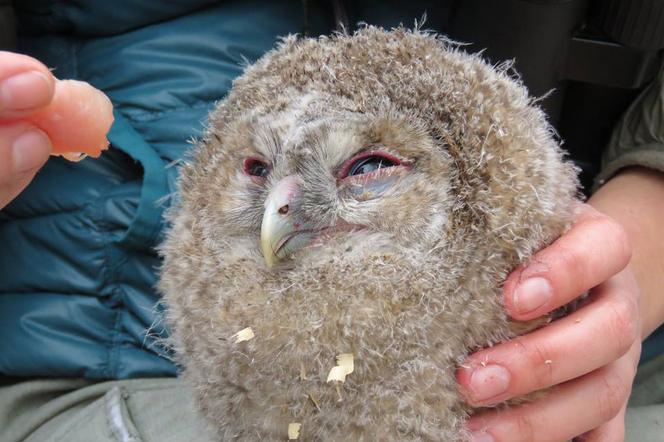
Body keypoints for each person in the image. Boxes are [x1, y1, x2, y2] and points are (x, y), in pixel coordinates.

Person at [1, 2, 662, 441]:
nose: (282, 206)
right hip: (92, 341)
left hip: (609, 342)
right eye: (260, 172)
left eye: (368, 167)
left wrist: (619, 243)